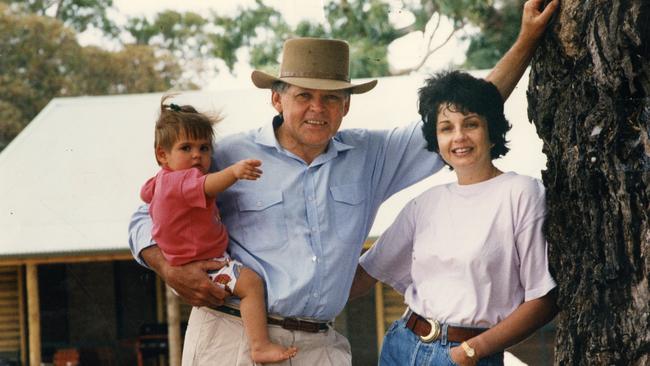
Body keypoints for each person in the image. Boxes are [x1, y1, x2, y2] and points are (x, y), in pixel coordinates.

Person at [128, 1, 559, 364]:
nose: (318, 108)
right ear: (276, 98)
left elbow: (469, 109)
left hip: (319, 346)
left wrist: (526, 40)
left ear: (346, 105)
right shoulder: (226, 155)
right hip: (231, 336)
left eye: (331, 97)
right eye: (303, 96)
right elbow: (145, 215)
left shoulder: (371, 157)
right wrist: (166, 266)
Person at [349, 71, 558, 366]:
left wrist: (469, 352)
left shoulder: (521, 193)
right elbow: (363, 276)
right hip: (401, 347)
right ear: (436, 138)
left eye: (471, 124)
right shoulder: (424, 204)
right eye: (446, 128)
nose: (459, 136)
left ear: (491, 129)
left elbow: (543, 300)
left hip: (468, 356)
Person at [140, 97, 297, 363]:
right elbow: (208, 185)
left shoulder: (158, 182)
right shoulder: (184, 181)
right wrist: (234, 172)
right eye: (185, 147)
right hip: (207, 264)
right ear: (161, 154)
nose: (196, 156)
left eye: (204, 148)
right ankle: (259, 345)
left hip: (192, 260)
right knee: (251, 285)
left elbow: (146, 197)